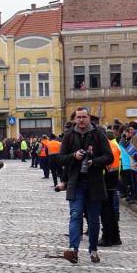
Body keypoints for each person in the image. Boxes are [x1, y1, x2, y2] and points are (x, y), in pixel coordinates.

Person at [58, 107, 113, 264]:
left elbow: (109, 156)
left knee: (94, 220)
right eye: (78, 117)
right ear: (75, 119)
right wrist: (74, 156)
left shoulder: (99, 134)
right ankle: (73, 249)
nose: (81, 120)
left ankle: (93, 249)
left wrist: (94, 161)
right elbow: (60, 158)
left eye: (84, 117)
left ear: (89, 118)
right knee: (75, 215)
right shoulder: (69, 135)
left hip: (94, 182)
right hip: (76, 183)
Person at [98, 130, 122, 247]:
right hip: (113, 180)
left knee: (105, 212)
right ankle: (116, 237)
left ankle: (107, 237)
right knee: (111, 211)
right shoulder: (114, 145)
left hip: (105, 181)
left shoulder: (104, 147)